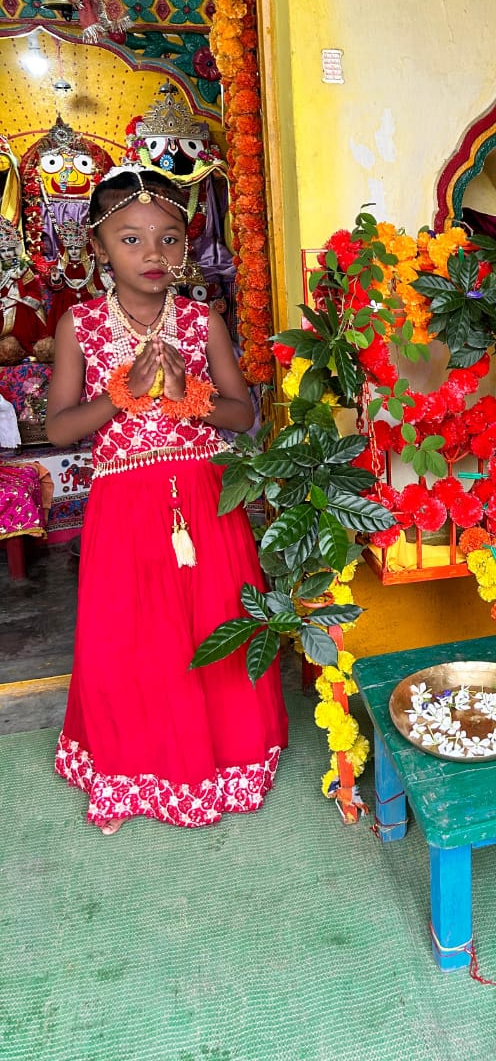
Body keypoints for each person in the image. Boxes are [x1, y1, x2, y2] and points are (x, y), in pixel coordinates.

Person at [46, 168, 287, 833]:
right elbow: (59, 426)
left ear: (186, 248)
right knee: (127, 642)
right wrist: (118, 395)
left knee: (214, 633)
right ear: (98, 247)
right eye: (131, 239)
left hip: (207, 500)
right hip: (125, 506)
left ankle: (227, 761)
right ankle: (130, 772)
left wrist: (194, 399)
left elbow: (242, 416)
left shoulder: (201, 320)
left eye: (170, 239)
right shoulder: (81, 325)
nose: (153, 255)